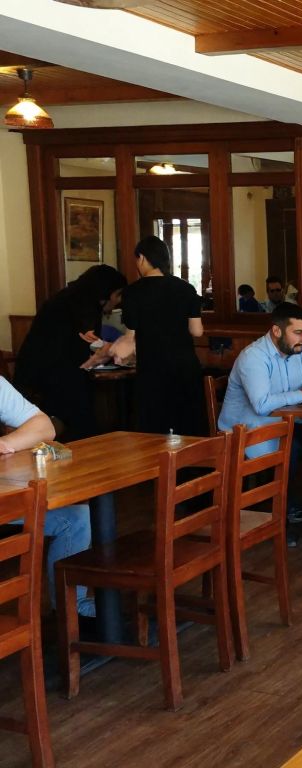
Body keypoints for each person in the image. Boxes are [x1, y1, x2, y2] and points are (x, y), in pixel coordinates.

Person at [218, 302, 302, 522]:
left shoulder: (300, 352)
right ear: (276, 330)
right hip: (247, 430)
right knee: (290, 445)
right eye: (298, 333)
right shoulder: (254, 357)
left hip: (286, 424)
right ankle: (282, 512)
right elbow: (261, 405)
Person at [0, 376, 94, 617]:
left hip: (5, 499)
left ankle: (71, 613)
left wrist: (5, 443)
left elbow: (44, 427)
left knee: (75, 519)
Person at [14, 264, 127, 440]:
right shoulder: (82, 307)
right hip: (52, 376)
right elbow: (85, 353)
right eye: (118, 294)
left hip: (35, 374)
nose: (119, 301)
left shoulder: (68, 298)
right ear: (106, 291)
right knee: (82, 424)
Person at [109, 236, 207, 436]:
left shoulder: (133, 293)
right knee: (189, 424)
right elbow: (197, 331)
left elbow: (130, 338)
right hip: (185, 366)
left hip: (153, 369)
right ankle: (194, 466)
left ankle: (159, 466)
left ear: (142, 258)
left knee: (155, 429)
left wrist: (111, 351)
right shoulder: (185, 288)